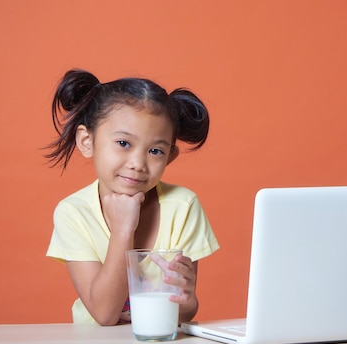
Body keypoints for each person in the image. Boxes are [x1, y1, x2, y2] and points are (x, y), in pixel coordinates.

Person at [45, 69, 220, 325]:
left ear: (170, 157)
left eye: (155, 150)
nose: (138, 163)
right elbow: (105, 314)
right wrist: (123, 228)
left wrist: (186, 299)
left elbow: (184, 310)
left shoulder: (183, 206)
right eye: (124, 144)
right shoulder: (73, 211)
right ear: (86, 141)